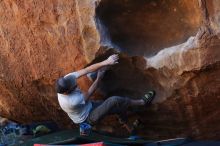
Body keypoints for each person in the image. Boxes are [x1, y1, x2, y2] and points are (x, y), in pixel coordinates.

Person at [56, 54, 155, 126]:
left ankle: (122, 119)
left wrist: (106, 62)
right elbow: (90, 92)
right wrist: (99, 77)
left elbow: (87, 70)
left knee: (118, 107)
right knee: (114, 100)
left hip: (88, 106)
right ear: (67, 92)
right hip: (88, 118)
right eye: (74, 86)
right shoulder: (72, 102)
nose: (75, 83)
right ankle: (142, 102)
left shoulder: (67, 79)